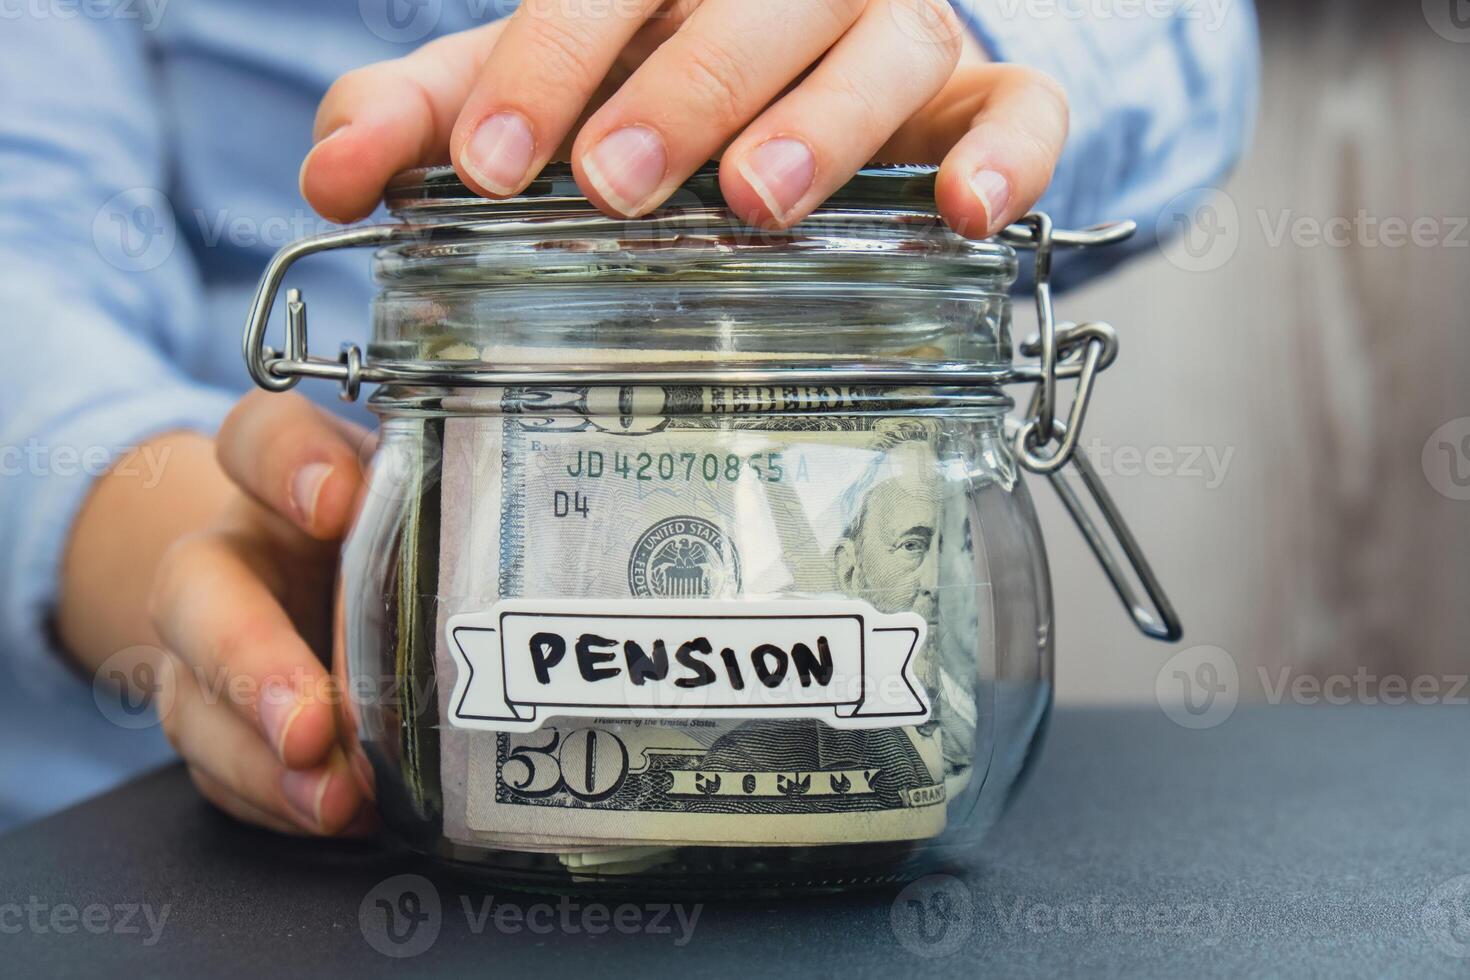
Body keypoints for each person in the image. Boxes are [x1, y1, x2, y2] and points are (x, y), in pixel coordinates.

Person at [0, 0, 1259, 834]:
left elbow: (1184, 34)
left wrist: (927, 47)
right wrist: (197, 531)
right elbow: (24, 247)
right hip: (161, 770)